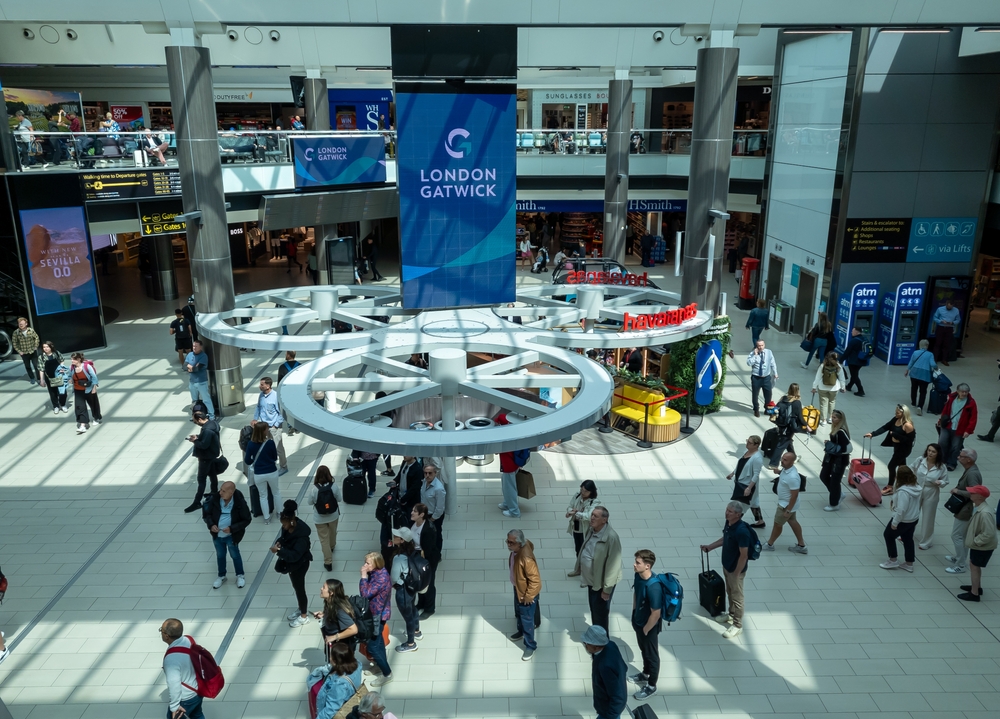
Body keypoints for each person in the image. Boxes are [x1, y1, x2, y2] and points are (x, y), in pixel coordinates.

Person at [701, 501, 753, 639]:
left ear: (738, 514)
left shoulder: (742, 531)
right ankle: (731, 614)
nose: (726, 513)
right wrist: (711, 546)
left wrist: (736, 573)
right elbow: (726, 538)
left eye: (730, 512)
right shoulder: (729, 522)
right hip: (727, 565)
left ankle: (737, 625)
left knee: (737, 597)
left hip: (736, 570)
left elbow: (744, 555)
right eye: (726, 510)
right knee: (729, 591)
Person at [575, 506, 623, 631]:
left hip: (601, 584)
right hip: (592, 581)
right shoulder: (592, 529)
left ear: (604, 519)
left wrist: (607, 590)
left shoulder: (611, 538)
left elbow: (614, 566)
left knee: (600, 614)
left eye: (595, 516)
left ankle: (601, 643)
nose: (592, 518)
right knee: (594, 609)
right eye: (592, 515)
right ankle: (596, 636)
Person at [628, 549, 663, 698]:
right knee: (644, 650)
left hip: (648, 626)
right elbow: (636, 592)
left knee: (652, 655)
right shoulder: (638, 576)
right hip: (638, 620)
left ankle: (651, 685)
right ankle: (645, 673)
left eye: (638, 562)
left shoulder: (654, 587)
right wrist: (634, 611)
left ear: (647, 566)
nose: (634, 565)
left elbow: (656, 613)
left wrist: (647, 629)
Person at [272, 500, 313, 627]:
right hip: (293, 563)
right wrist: (279, 543)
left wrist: (279, 551)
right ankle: (301, 608)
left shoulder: (301, 538)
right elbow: (283, 537)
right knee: (296, 587)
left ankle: (304, 616)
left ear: (290, 522)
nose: (283, 527)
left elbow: (295, 556)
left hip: (300, 564)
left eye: (284, 525)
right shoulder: (289, 527)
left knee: (300, 589)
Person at [204, 481, 251, 589]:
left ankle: (240, 575)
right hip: (217, 535)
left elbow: (247, 519)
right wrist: (211, 525)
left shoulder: (239, 502)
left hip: (231, 536)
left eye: (224, 491)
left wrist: (232, 529)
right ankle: (221, 575)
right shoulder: (215, 498)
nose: (220, 492)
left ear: (231, 492)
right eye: (221, 489)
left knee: (235, 555)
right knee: (220, 555)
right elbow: (208, 514)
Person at [505, 529, 541, 662]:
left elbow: (535, 581)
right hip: (518, 588)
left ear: (519, 543)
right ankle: (521, 631)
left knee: (527, 620)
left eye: (511, 542)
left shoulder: (526, 558)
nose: (508, 545)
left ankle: (530, 645)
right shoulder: (521, 547)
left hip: (526, 594)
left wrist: (528, 596)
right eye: (507, 541)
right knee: (520, 613)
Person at [945, 449, 983, 575]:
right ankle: (960, 557)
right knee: (963, 535)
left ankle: (961, 564)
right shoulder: (971, 470)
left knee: (956, 535)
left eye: (961, 456)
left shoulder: (972, 474)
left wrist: (958, 491)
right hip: (966, 507)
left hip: (966, 509)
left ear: (969, 460)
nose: (958, 457)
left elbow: (976, 493)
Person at [865, 404, 916, 495]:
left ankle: (890, 487)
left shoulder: (908, 425)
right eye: (895, 412)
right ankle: (908, 482)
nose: (895, 414)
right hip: (896, 447)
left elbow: (909, 441)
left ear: (904, 413)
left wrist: (895, 434)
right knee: (902, 466)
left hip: (904, 449)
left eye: (898, 413)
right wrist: (873, 434)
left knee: (891, 466)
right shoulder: (895, 419)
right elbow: (885, 427)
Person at [359, 552, 393, 686]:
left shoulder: (381, 578)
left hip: (377, 616)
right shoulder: (376, 573)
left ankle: (387, 673)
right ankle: (380, 666)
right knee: (378, 643)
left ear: (376, 564)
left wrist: (363, 577)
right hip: (376, 613)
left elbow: (365, 594)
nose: (365, 565)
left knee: (373, 647)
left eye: (368, 563)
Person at [957, 485, 997, 602]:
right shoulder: (979, 507)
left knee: (974, 566)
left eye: (972, 493)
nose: (970, 494)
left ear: (980, 496)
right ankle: (977, 587)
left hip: (982, 546)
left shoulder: (984, 513)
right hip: (981, 545)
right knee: (974, 565)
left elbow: (988, 533)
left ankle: (974, 594)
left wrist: (976, 542)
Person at [160, 618, 205, 719]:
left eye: (161, 630)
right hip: (197, 691)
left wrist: (174, 706)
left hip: (185, 699)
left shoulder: (171, 659)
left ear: (166, 636)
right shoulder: (189, 640)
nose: (161, 633)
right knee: (197, 715)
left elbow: (174, 684)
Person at [879, 466, 921, 573]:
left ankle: (893, 559)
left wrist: (895, 522)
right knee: (908, 539)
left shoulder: (903, 492)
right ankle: (909, 563)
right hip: (913, 519)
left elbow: (901, 510)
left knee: (888, 535)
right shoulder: (916, 487)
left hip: (903, 520)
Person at [763, 451, 806, 554]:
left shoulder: (793, 477)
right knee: (792, 521)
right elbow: (784, 473)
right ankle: (801, 545)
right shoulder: (787, 469)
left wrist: (788, 510)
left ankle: (770, 544)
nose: (782, 460)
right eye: (782, 458)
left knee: (778, 524)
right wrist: (778, 472)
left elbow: (794, 495)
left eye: (785, 460)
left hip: (785, 505)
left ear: (792, 462)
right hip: (788, 504)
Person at [306, 642, 363, 719]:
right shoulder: (357, 664)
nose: (330, 658)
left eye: (331, 656)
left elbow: (330, 710)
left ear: (336, 662)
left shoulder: (339, 685)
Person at [581, 625, 627, 719]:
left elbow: (617, 695)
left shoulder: (605, 666)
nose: (585, 645)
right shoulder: (611, 645)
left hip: (608, 711)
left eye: (587, 643)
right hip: (609, 708)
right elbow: (624, 667)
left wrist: (611, 716)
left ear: (596, 646)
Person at [389, 526, 420, 653]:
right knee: (413, 608)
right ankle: (417, 631)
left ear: (402, 541)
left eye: (396, 536)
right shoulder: (413, 552)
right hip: (412, 587)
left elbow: (394, 577)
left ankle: (411, 643)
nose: (394, 537)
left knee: (408, 617)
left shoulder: (398, 558)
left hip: (403, 590)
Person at [307, 465, 342, 572]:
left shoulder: (314, 489)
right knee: (333, 532)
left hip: (319, 518)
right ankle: (332, 546)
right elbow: (339, 499)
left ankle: (328, 562)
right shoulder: (334, 486)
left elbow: (309, 502)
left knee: (323, 540)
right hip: (333, 515)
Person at [913, 443, 949, 550]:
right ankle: (906, 533)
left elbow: (945, 481)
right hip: (917, 488)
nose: (930, 453)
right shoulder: (920, 460)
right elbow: (911, 469)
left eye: (933, 451)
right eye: (929, 450)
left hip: (931, 491)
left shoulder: (941, 466)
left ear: (938, 454)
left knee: (928, 517)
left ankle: (926, 542)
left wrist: (940, 482)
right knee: (912, 513)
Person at [244, 423, 281, 523]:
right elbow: (274, 457)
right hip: (272, 471)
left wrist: (255, 463)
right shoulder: (270, 443)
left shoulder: (251, 444)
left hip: (259, 473)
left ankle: (266, 518)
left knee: (263, 496)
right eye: (266, 429)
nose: (268, 430)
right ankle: (279, 513)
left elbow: (247, 460)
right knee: (276, 492)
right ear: (263, 431)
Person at [185, 411, 221, 513]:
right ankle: (214, 492)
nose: (196, 422)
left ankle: (197, 502)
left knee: (201, 479)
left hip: (205, 457)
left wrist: (195, 441)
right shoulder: (213, 424)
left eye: (196, 421)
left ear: (200, 419)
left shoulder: (207, 430)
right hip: (212, 454)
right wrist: (198, 436)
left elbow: (204, 445)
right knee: (212, 473)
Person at [936, 383, 978, 472]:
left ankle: (951, 463)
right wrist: (941, 420)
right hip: (948, 425)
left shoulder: (971, 403)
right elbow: (945, 411)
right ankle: (942, 460)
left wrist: (968, 430)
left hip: (960, 429)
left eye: (966, 392)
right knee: (942, 442)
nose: (964, 394)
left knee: (956, 446)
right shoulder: (951, 398)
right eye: (962, 392)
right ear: (958, 391)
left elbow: (973, 418)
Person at [728, 435, 766, 527]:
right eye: (747, 441)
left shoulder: (757, 458)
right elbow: (741, 464)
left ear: (756, 445)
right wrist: (733, 473)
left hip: (747, 485)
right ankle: (760, 521)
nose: (747, 444)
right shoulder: (747, 451)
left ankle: (734, 522)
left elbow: (756, 474)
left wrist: (749, 488)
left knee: (741, 504)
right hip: (741, 482)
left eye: (750, 443)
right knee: (754, 502)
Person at [252, 377, 288, 474]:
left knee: (278, 448)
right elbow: (258, 407)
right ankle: (271, 463)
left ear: (268, 386)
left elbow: (281, 413)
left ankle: (283, 466)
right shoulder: (261, 395)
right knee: (266, 446)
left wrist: (275, 425)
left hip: (274, 427)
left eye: (262, 384)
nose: (260, 386)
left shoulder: (276, 396)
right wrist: (255, 419)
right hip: (264, 427)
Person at [768, 383, 809, 468]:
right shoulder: (796, 402)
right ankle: (773, 464)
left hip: (781, 424)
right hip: (789, 426)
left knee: (788, 441)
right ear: (797, 391)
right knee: (782, 444)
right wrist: (807, 425)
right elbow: (800, 417)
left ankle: (794, 457)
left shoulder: (783, 398)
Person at [411, 503, 440, 620]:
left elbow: (429, 548)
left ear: (422, 515)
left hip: (427, 559)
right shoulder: (413, 524)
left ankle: (429, 608)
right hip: (417, 555)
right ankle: (421, 603)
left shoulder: (428, 529)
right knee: (419, 582)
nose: (412, 513)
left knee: (428, 583)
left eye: (414, 511)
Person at [313, 578, 358, 653]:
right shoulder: (330, 602)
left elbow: (353, 629)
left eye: (324, 587)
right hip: (334, 645)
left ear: (331, 593)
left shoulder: (339, 610)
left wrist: (334, 637)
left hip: (341, 649)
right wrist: (324, 615)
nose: (321, 588)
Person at [820, 410, 852, 512]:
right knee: (824, 476)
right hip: (832, 459)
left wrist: (830, 445)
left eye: (835, 418)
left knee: (835, 481)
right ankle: (838, 494)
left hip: (839, 461)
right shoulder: (836, 429)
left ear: (840, 419)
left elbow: (844, 448)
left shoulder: (841, 432)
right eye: (832, 417)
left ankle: (834, 504)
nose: (833, 419)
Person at [566, 480, 600, 570]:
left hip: (587, 529)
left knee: (587, 550)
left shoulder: (594, 502)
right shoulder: (577, 495)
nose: (583, 493)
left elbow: (588, 516)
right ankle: (579, 568)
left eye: (586, 491)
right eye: (582, 490)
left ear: (591, 491)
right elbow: (570, 505)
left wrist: (575, 513)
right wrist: (570, 511)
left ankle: (589, 569)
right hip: (576, 527)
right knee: (578, 548)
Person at [810, 351, 847, 425]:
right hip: (834, 388)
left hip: (822, 387)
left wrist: (814, 387)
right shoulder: (838, 366)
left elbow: (818, 377)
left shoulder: (822, 365)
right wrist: (843, 387)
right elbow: (842, 378)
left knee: (823, 404)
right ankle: (830, 418)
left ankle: (823, 420)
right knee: (832, 402)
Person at [70, 353, 101, 434]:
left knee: (93, 404)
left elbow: (94, 377)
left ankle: (96, 417)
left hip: (88, 389)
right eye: (71, 359)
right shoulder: (72, 367)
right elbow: (70, 376)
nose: (72, 361)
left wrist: (94, 388)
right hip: (78, 390)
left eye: (74, 359)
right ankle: (83, 425)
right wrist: (70, 380)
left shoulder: (87, 367)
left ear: (79, 359)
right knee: (80, 407)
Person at [904, 339, 938, 416]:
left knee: (914, 388)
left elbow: (911, 362)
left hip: (914, 373)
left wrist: (907, 370)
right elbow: (933, 364)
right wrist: (936, 368)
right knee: (923, 391)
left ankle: (913, 403)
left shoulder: (915, 352)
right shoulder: (930, 354)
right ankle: (920, 407)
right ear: (927, 346)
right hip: (925, 375)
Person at [747, 339, 778, 418]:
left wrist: (775, 373)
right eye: (759, 346)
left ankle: (767, 409)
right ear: (756, 346)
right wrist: (755, 355)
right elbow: (749, 363)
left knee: (768, 394)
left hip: (766, 377)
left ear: (764, 345)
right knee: (755, 394)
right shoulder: (752, 354)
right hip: (756, 377)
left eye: (762, 345)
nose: (760, 347)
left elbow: (772, 363)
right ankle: (756, 409)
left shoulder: (769, 352)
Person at [185, 340, 215, 420]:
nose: (194, 348)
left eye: (196, 346)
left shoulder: (203, 356)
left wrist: (190, 367)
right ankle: (195, 415)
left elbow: (197, 369)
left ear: (200, 347)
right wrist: (192, 368)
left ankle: (211, 415)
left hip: (201, 382)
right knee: (194, 400)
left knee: (206, 399)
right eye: (193, 346)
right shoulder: (190, 354)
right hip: (192, 381)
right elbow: (184, 366)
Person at [420, 464, 446, 546]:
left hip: (434, 517)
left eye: (430, 473)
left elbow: (440, 507)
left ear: (435, 473)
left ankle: (437, 555)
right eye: (425, 473)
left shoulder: (438, 489)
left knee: (436, 535)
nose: (427, 475)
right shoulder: (424, 482)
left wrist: (432, 519)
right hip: (425, 514)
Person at [40, 341, 70, 414]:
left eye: (47, 347)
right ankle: (56, 406)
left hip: (59, 375)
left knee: (63, 392)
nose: (46, 348)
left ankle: (62, 404)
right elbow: (41, 369)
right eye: (44, 347)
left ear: (51, 347)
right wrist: (42, 380)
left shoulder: (56, 353)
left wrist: (61, 367)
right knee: (52, 393)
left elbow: (62, 360)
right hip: (49, 377)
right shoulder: (41, 357)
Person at [840, 326, 868, 397]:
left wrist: (841, 360)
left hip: (854, 361)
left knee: (854, 375)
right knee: (854, 373)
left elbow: (847, 351)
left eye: (853, 331)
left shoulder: (854, 341)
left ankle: (861, 390)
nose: (851, 332)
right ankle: (849, 386)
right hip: (862, 360)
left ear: (856, 332)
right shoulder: (865, 339)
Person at [932, 299, 961, 365]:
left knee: (947, 344)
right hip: (941, 327)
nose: (949, 308)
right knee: (937, 343)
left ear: (953, 305)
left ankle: (944, 359)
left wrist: (953, 322)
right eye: (948, 307)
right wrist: (941, 321)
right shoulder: (940, 309)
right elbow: (935, 317)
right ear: (946, 304)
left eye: (950, 307)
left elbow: (958, 319)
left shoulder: (956, 310)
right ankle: (934, 359)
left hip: (949, 328)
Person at [12, 317, 40, 385]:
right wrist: (19, 351)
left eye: (22, 324)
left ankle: (39, 378)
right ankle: (32, 378)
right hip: (24, 353)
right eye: (19, 324)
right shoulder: (16, 332)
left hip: (32, 351)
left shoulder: (31, 330)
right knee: (27, 366)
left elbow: (36, 338)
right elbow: (14, 343)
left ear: (26, 324)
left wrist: (36, 346)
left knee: (36, 366)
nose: (21, 325)